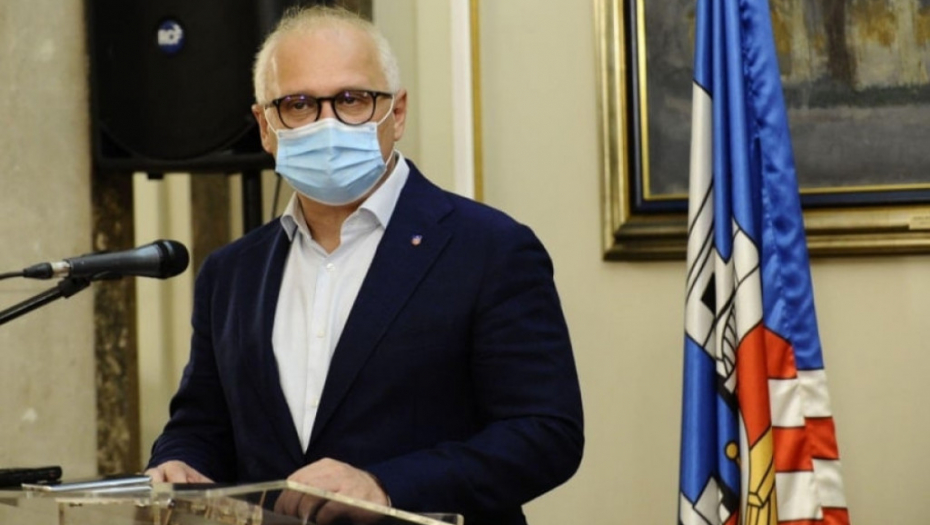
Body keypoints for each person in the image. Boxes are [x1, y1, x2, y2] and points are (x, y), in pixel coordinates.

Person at [145, 6, 583, 525]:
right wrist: (179, 461)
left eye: (352, 100)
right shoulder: (232, 273)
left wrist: (385, 486)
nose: (327, 122)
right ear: (265, 126)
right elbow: (202, 424)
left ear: (396, 113)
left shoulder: (491, 249)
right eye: (299, 104)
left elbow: (545, 434)